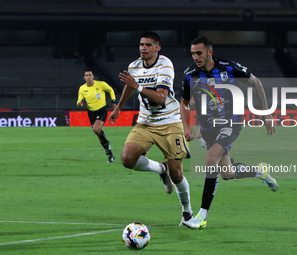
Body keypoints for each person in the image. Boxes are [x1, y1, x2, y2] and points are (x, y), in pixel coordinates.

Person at [180, 35, 278, 230]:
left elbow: (256, 83)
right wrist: (186, 126)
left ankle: (202, 216)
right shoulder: (190, 74)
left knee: (210, 159)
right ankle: (261, 172)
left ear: (210, 52)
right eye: (192, 53)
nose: (195, 57)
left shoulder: (229, 67)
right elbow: (184, 102)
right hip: (208, 127)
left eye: (199, 53)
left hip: (231, 122)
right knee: (227, 172)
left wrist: (266, 112)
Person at [108, 32, 193, 225]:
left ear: (157, 48)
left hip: (170, 121)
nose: (143, 48)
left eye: (147, 45)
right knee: (127, 159)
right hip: (145, 122)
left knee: (177, 173)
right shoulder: (134, 66)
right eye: (141, 45)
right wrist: (119, 108)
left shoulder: (165, 65)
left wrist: (137, 86)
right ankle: (160, 169)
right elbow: (130, 87)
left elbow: (161, 97)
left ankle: (187, 212)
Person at [77, 70, 116, 163]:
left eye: (90, 75)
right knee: (99, 135)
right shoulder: (82, 88)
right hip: (91, 113)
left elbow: (110, 90)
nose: (88, 77)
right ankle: (110, 154)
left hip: (102, 110)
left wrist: (113, 101)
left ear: (93, 76)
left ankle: (107, 144)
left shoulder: (101, 84)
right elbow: (79, 99)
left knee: (96, 129)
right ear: (84, 77)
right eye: (86, 75)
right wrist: (80, 103)